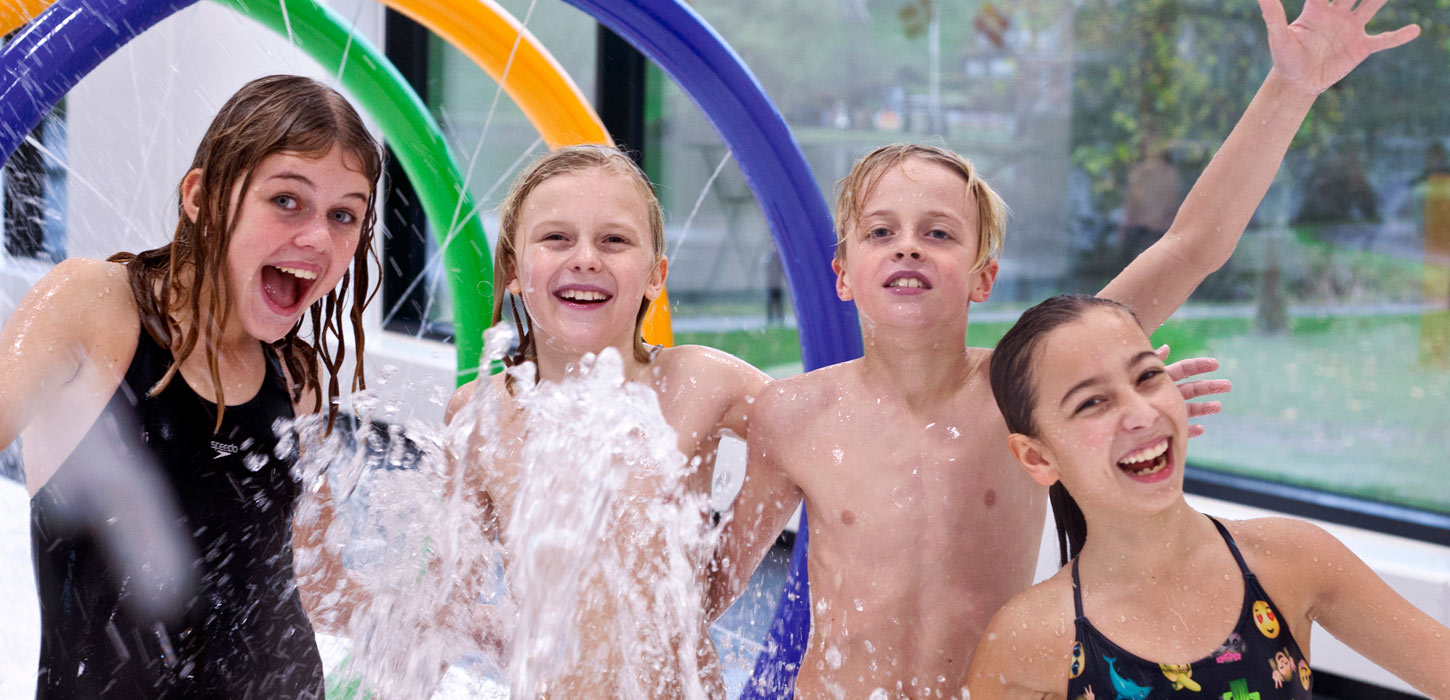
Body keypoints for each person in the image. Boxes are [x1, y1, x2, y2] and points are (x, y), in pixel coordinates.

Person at [709, 1, 1420, 697]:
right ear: (842, 273)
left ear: (983, 276)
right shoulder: (793, 415)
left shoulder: (1028, 390)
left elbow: (1192, 245)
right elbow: (713, 585)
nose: (907, 246)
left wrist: (1290, 87)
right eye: (880, 232)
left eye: (939, 233)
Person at [0, 74, 383, 698]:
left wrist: (449, 618)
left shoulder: (298, 375)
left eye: (344, 215)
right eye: (287, 199)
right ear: (201, 197)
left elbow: (315, 580)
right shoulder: (95, 308)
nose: (318, 237)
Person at [968, 294, 1450, 699]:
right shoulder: (1027, 639)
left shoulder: (1295, 560)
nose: (1140, 413)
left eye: (1147, 377)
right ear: (1036, 458)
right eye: (1092, 402)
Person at [445, 144, 768, 699]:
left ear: (654, 276)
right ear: (514, 271)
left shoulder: (696, 383)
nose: (586, 258)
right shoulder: (478, 413)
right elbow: (453, 598)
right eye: (556, 238)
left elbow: (820, 430)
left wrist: (726, 566)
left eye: (614, 240)